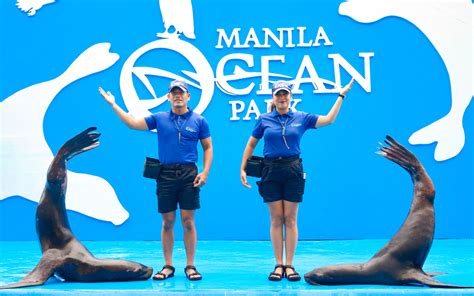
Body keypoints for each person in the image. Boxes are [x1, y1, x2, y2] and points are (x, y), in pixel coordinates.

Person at [240, 79, 354, 281]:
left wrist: (341, 95)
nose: (282, 97)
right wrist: (243, 167)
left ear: (290, 97)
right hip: (270, 170)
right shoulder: (264, 119)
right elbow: (251, 144)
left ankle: (290, 266)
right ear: (273, 98)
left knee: (290, 219)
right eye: (278, 94)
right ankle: (278, 265)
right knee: (276, 219)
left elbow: (329, 120)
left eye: (285, 94)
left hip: (293, 169)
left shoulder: (302, 117)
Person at [99, 80, 213, 281]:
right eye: (173, 93)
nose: (178, 95)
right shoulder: (159, 118)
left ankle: (190, 266)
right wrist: (113, 104)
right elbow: (132, 124)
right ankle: (168, 265)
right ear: (168, 97)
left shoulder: (199, 120)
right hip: (165, 175)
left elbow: (208, 148)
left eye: (181, 92)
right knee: (167, 222)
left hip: (189, 175)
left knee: (188, 222)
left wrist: (205, 173)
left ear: (188, 96)